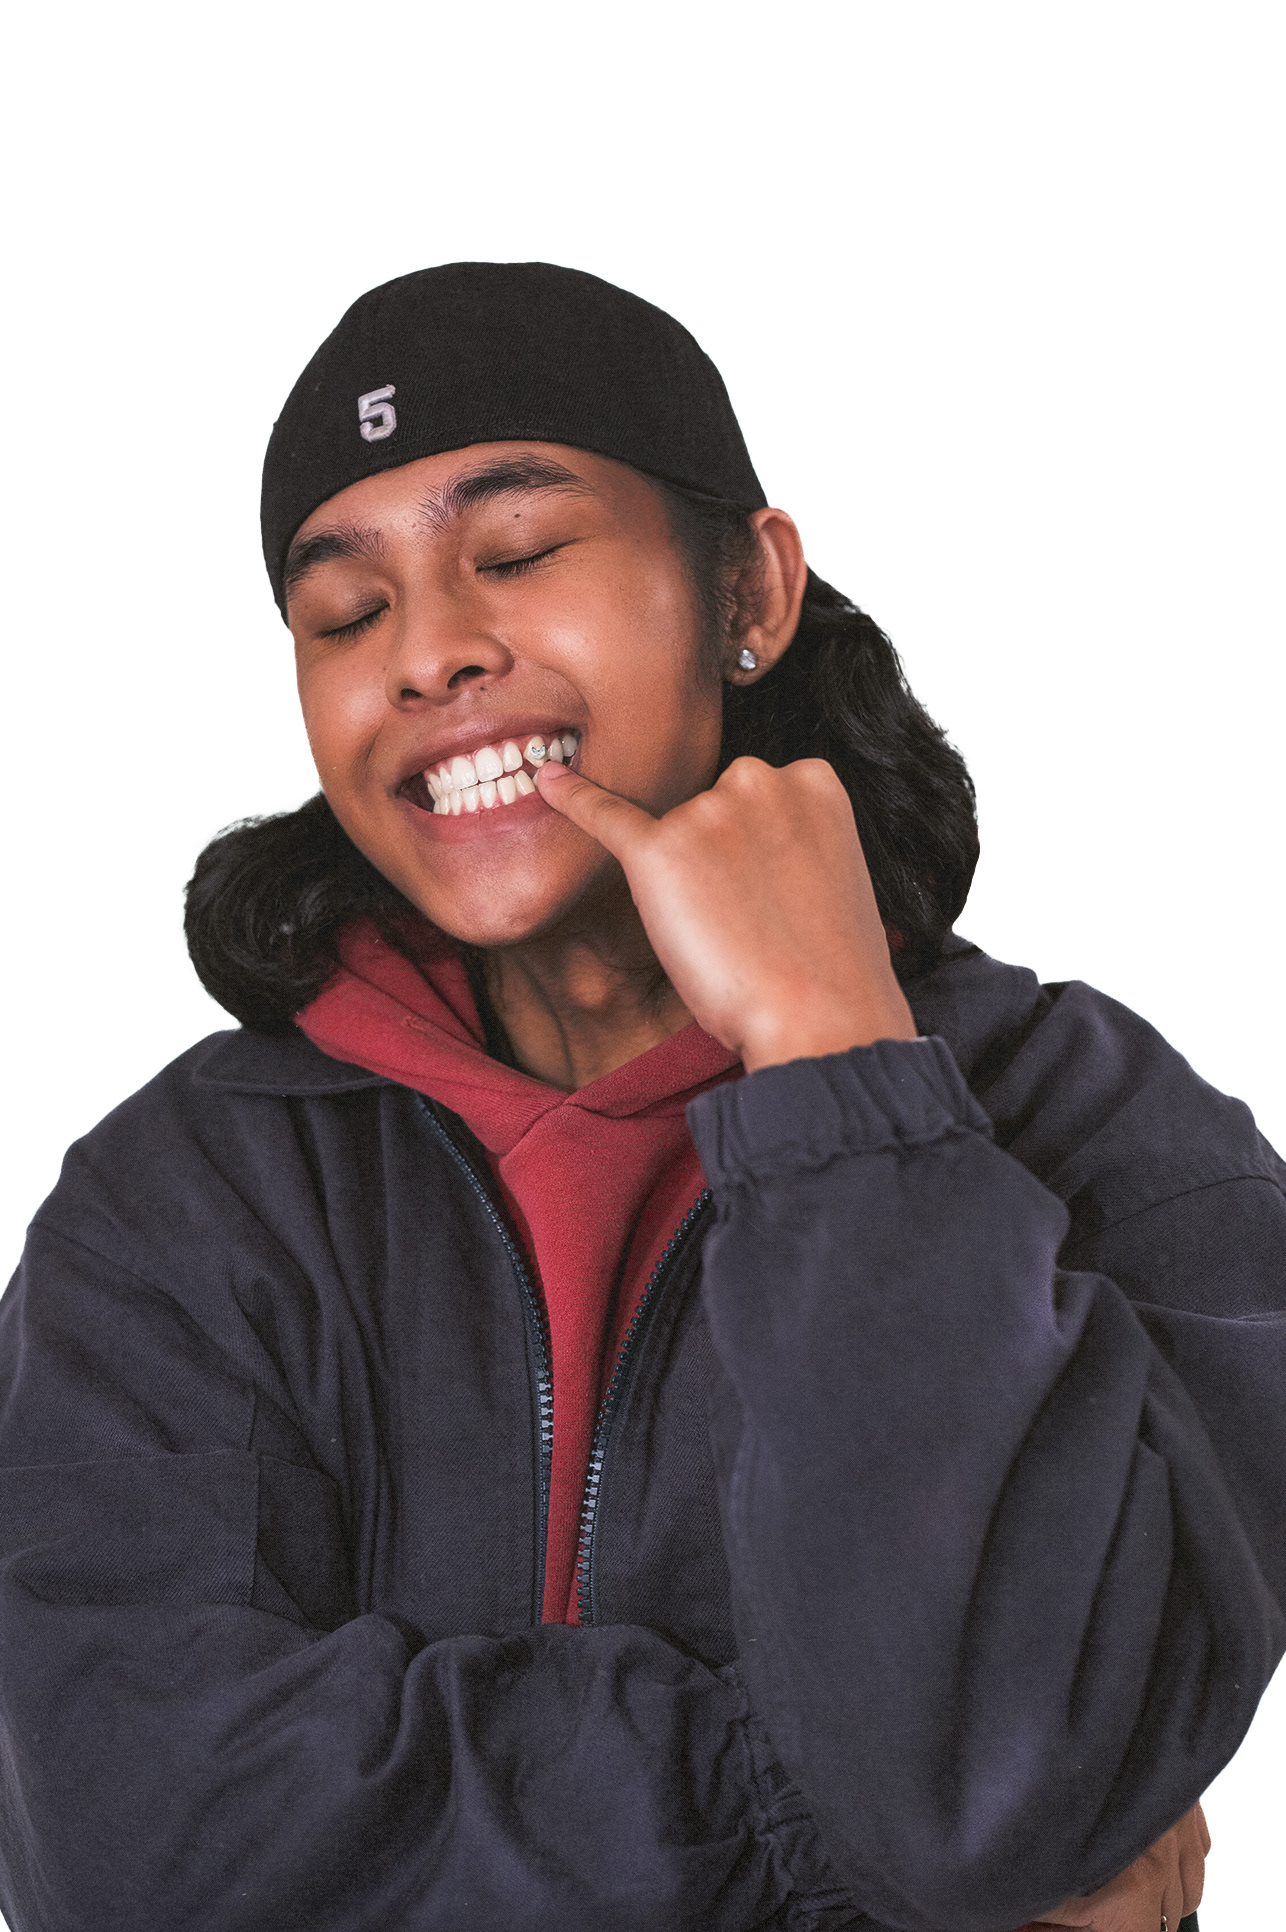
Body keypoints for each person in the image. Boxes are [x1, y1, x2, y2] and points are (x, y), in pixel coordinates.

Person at [0, 261, 1278, 1932]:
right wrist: (816, 1835)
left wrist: (834, 1061)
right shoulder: (177, 1203)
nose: (429, 653)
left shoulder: (1106, 1132)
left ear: (750, 588)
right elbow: (126, 1839)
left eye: (518, 552)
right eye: (345, 614)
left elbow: (986, 1772)